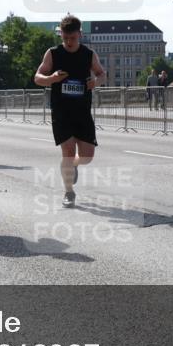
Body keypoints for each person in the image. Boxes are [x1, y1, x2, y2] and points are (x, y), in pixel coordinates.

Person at [34, 14, 106, 208]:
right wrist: (52, 79)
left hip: (82, 112)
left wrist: (95, 82)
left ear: (80, 34)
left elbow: (102, 74)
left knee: (87, 156)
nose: (68, 42)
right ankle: (69, 192)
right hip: (61, 111)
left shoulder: (88, 54)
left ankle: (74, 165)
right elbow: (38, 77)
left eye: (72, 38)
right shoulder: (53, 53)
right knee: (67, 151)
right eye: (65, 38)